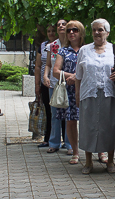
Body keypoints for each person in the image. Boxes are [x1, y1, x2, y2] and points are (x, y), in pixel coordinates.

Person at [75, 19, 115, 174]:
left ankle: (110, 161)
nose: (97, 33)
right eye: (94, 30)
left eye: (100, 30)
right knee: (88, 127)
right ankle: (88, 162)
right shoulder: (84, 50)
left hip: (109, 93)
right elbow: (78, 76)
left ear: (107, 32)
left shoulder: (114, 49)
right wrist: (78, 95)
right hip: (88, 93)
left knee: (109, 126)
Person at [53, 20, 85, 165]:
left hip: (85, 89)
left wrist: (77, 77)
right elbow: (55, 71)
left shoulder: (88, 49)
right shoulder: (63, 51)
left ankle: (99, 151)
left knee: (90, 121)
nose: (71, 32)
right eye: (69, 30)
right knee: (71, 122)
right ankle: (75, 152)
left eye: (75, 30)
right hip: (69, 91)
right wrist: (71, 77)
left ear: (81, 32)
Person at [44, 19, 72, 154]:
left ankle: (69, 144)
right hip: (55, 84)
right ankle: (54, 143)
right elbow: (48, 64)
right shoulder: (52, 46)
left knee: (69, 114)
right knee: (55, 114)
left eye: (64, 24)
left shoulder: (73, 43)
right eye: (58, 25)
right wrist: (45, 76)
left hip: (70, 83)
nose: (61, 26)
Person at [35, 23, 58, 147]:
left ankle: (65, 140)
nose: (51, 33)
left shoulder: (62, 45)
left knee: (61, 111)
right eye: (48, 31)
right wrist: (37, 85)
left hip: (58, 82)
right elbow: (38, 66)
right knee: (48, 112)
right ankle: (48, 137)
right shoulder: (43, 46)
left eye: (53, 31)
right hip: (46, 83)